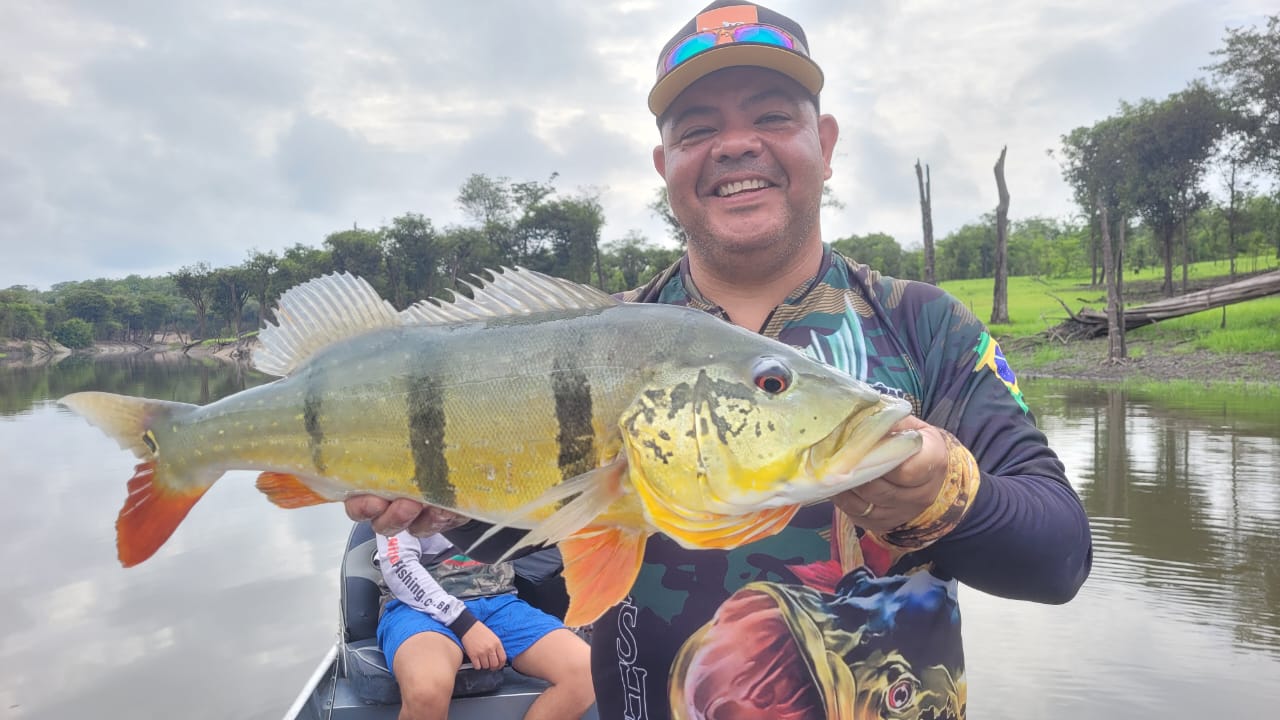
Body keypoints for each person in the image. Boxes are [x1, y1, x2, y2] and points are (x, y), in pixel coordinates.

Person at [347, 2, 1093, 718]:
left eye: (772, 116)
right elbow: (544, 533)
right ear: (664, 163)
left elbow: (1059, 560)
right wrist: (450, 505)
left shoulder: (925, 326)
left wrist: (942, 496)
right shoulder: (593, 341)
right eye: (698, 128)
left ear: (825, 144)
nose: (736, 145)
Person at [374, 530, 594, 720]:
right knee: (427, 690)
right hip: (417, 608)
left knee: (586, 672)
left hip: (499, 601)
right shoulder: (398, 498)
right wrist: (464, 624)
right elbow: (398, 563)